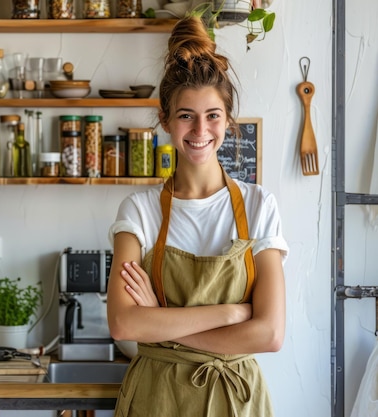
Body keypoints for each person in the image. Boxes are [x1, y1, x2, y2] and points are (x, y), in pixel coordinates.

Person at [106, 15, 289, 417]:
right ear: (166, 121)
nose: (200, 130)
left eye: (212, 115)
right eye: (186, 115)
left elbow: (270, 333)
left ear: (227, 120)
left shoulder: (259, 205)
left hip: (236, 399)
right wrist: (231, 315)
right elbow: (123, 324)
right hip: (157, 400)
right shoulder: (139, 210)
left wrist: (161, 323)